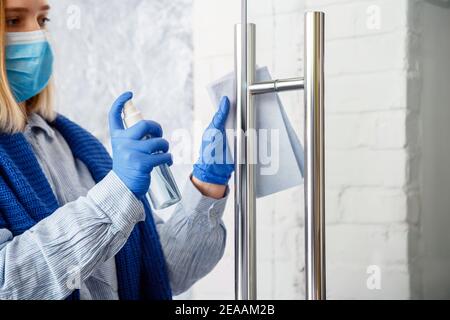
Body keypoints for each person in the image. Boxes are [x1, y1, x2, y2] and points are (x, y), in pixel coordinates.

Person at [0, 0, 234, 300]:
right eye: (14, 21)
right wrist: (115, 195)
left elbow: (163, 270)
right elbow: (8, 283)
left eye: (42, 20)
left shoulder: (70, 143)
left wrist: (208, 184)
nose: (37, 35)